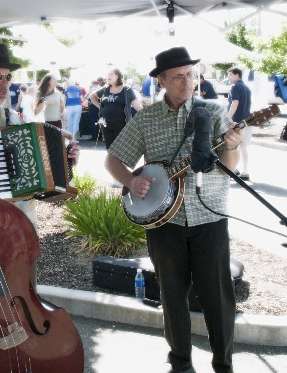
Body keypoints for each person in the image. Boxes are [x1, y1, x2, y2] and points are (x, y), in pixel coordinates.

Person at [105, 46, 244, 373]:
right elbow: (113, 160)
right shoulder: (147, 119)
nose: (187, 82)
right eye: (179, 77)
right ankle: (180, 364)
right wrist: (132, 181)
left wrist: (233, 147)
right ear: (161, 81)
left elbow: (228, 168)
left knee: (218, 299)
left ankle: (224, 365)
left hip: (209, 217)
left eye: (191, 75)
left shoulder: (211, 110)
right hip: (163, 224)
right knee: (172, 296)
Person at [0, 42, 80, 288]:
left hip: (22, 226)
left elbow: (33, 171)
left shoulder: (14, 118)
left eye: (8, 77)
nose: (5, 83)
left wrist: (66, 159)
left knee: (26, 296)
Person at [89, 67, 142, 150]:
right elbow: (92, 96)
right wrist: (100, 107)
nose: (108, 76)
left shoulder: (127, 90)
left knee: (121, 151)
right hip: (107, 125)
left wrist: (148, 116)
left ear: (117, 75)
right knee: (110, 150)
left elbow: (138, 106)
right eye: (107, 75)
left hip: (122, 126)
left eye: (110, 74)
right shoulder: (105, 89)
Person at [227, 67, 252, 181]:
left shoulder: (235, 86)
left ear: (237, 75)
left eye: (230, 75)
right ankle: (245, 170)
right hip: (247, 120)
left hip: (236, 121)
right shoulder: (246, 88)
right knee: (244, 146)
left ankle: (234, 169)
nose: (229, 77)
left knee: (233, 146)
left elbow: (235, 103)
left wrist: (227, 118)